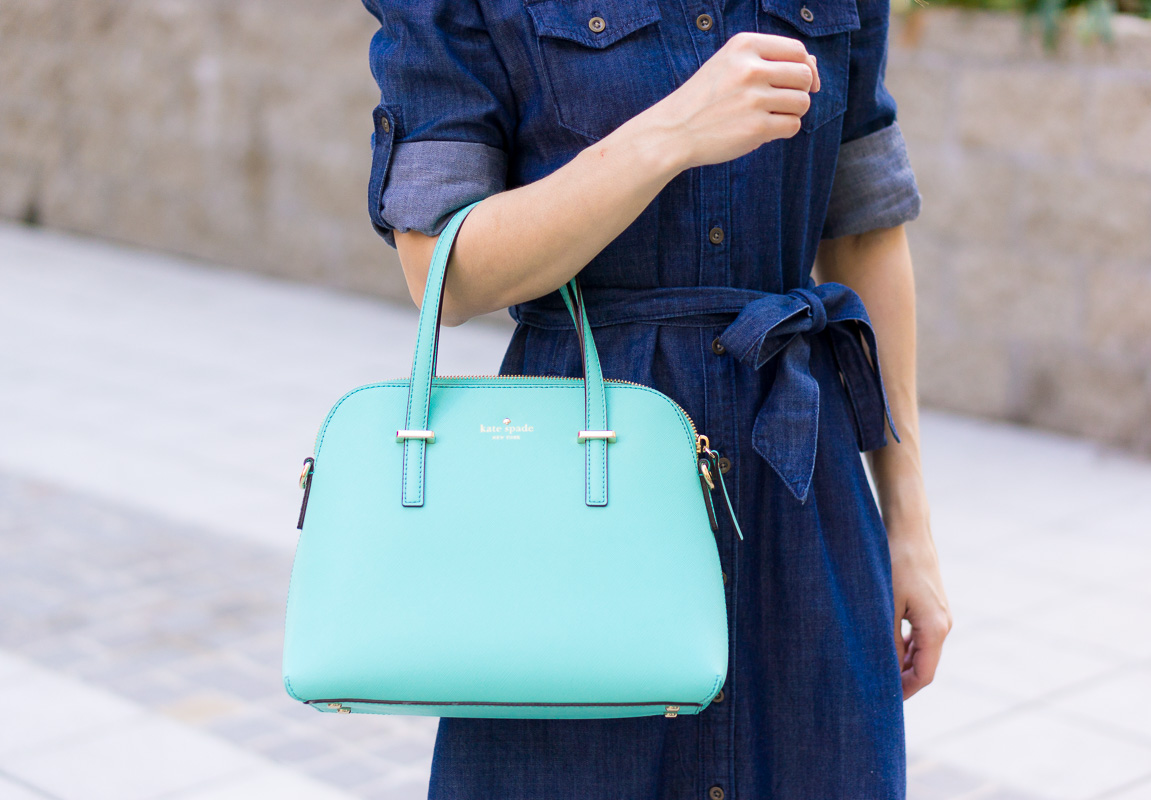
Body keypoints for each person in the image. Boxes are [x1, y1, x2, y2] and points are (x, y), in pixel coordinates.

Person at [361, 0, 952, 796]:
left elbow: (863, 227)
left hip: (801, 493)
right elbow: (443, 271)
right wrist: (670, 134)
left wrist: (909, 523)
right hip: (580, 499)